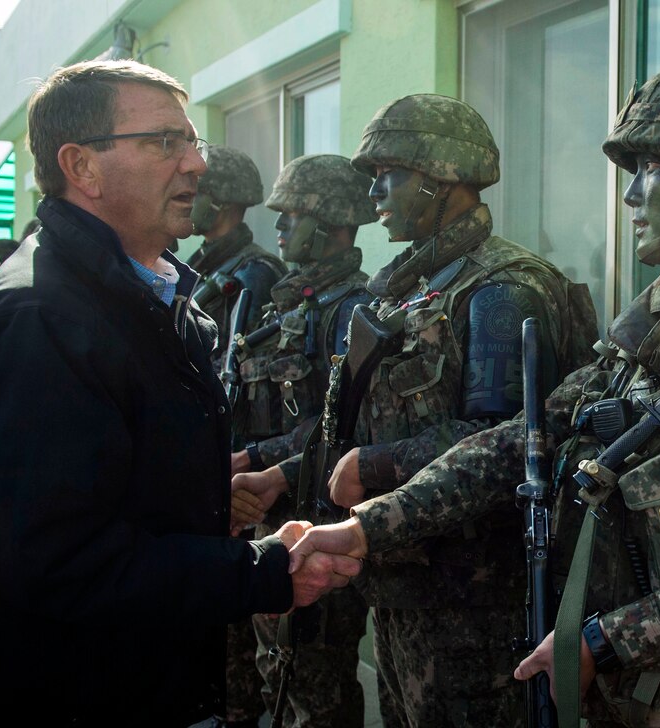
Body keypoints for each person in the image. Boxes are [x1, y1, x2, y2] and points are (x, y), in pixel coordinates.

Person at [288, 63, 660, 727]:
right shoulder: (651, 329)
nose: (632, 196)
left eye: (654, 167)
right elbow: (523, 441)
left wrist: (612, 640)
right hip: (625, 698)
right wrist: (367, 528)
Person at [0, 59, 359, 726]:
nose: (195, 166)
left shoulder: (148, 296)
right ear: (81, 167)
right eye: (163, 142)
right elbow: (59, 562)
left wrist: (207, 505)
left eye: (191, 141)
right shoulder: (35, 321)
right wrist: (258, 571)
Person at [234, 94, 600, 726]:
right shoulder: (413, 288)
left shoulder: (499, 289)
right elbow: (353, 425)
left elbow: (500, 438)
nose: (375, 192)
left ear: (439, 181)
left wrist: (375, 467)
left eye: (390, 175)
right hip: (406, 586)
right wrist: (281, 475)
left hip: (473, 606)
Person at [222, 153, 376, 727]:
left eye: (293, 214)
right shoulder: (293, 302)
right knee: (276, 682)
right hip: (273, 516)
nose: (280, 225)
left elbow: (345, 421)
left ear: (332, 222)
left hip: (317, 521)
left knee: (312, 693)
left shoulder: (352, 308)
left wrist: (260, 460)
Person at [189, 145, 286, 361]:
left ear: (221, 201)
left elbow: (246, 360)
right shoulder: (204, 263)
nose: (186, 198)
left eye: (195, 191)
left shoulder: (255, 271)